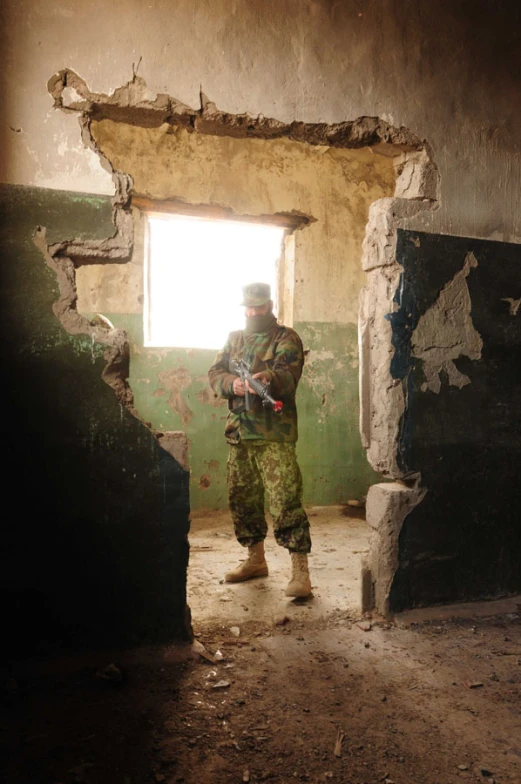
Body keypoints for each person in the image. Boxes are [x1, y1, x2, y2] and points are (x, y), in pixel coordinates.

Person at [208, 282, 312, 598]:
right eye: (249, 307)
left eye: (259, 306)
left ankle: (300, 573)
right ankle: (255, 560)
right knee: (243, 500)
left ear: (269, 305)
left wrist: (267, 379)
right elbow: (214, 373)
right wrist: (233, 385)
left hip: (274, 437)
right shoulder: (234, 339)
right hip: (239, 433)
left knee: (285, 501)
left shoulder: (286, 338)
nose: (253, 312)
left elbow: (288, 376)